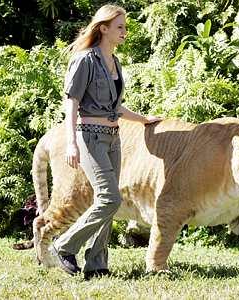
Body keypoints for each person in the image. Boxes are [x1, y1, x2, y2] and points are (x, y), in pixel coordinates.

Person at [49, 4, 161, 280]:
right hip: (90, 137)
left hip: (113, 138)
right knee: (110, 198)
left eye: (125, 27)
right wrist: (72, 142)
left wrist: (144, 119)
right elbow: (72, 102)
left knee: (106, 200)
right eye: (120, 27)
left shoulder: (114, 62)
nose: (125, 32)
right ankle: (63, 246)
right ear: (103, 28)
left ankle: (96, 264)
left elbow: (116, 107)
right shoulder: (85, 59)